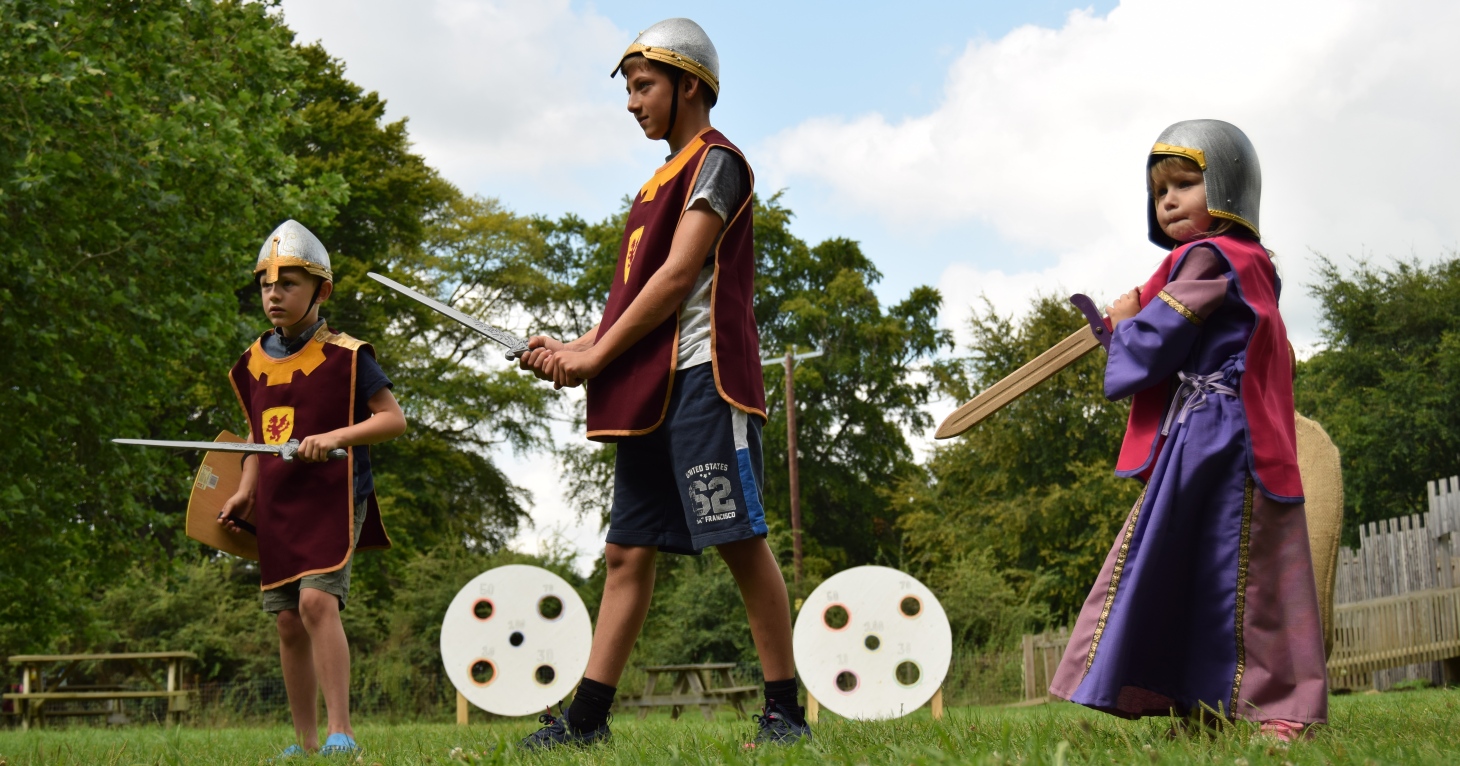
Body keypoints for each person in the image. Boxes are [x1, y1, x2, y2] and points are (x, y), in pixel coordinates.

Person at [516, 17, 810, 749]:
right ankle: (586, 724)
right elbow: (631, 301)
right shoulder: (655, 183)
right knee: (626, 552)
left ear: (690, 86)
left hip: (706, 385)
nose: (632, 102)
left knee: (740, 540)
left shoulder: (719, 162)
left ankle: (785, 713)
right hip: (648, 393)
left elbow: (680, 276)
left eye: (644, 86)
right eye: (630, 88)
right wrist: (574, 345)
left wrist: (592, 357)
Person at [1048, 120, 1328, 740]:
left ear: (1228, 185)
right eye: (1159, 191)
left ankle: (1280, 710)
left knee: (1240, 570)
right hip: (1221, 433)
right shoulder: (1253, 261)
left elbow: (1155, 348)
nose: (1169, 200)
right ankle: (1207, 707)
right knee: (1204, 567)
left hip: (1220, 439)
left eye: (1185, 183)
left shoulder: (1209, 256)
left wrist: (1120, 325)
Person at [218, 220, 406, 758]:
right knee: (285, 619)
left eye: (288, 284)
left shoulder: (349, 355)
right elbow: (258, 434)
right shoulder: (253, 361)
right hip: (278, 503)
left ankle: (340, 732)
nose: (273, 295)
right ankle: (302, 744)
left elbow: (393, 420)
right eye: (265, 285)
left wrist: (335, 437)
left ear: (320, 291)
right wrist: (245, 492)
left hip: (334, 493)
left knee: (317, 604)